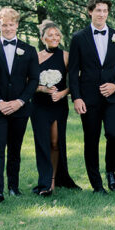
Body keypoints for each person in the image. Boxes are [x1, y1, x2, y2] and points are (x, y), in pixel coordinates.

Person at [68, 0, 115, 193]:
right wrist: (77, 97)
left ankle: (111, 171)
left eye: (105, 11)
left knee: (114, 135)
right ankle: (96, 184)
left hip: (112, 98)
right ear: (90, 12)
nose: (102, 14)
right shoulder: (79, 38)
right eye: (98, 10)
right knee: (91, 140)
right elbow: (73, 72)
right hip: (88, 98)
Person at [0, 7, 40, 202]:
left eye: (11, 24)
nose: (7, 28)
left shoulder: (29, 50)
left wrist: (20, 101)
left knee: (15, 149)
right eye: (4, 25)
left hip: (20, 109)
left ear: (17, 25)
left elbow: (34, 79)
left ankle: (13, 187)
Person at [31, 20, 80, 196]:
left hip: (58, 105)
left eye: (57, 35)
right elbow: (28, 83)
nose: (54, 38)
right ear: (43, 38)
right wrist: (42, 89)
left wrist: (63, 93)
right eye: (50, 35)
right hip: (39, 105)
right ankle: (45, 182)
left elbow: (75, 81)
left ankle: (54, 178)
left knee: (55, 142)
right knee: (42, 143)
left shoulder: (66, 56)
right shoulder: (35, 57)